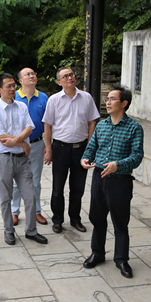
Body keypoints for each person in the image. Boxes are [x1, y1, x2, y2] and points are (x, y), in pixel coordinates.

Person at [81, 85, 144, 279]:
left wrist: (118, 165)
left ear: (124, 103)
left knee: (120, 222)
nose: (107, 102)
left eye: (112, 99)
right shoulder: (101, 125)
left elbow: (137, 156)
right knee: (97, 218)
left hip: (120, 181)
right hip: (99, 177)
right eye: (107, 99)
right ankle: (97, 253)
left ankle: (121, 259)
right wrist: (85, 158)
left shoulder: (134, 128)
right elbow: (92, 147)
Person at [0, 73, 48, 246]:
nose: (13, 89)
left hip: (23, 161)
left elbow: (29, 128)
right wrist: (22, 144)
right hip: (5, 160)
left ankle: (31, 231)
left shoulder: (21, 107)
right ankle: (9, 231)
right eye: (9, 86)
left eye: (14, 85)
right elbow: (1, 137)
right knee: (5, 198)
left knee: (30, 196)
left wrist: (16, 142)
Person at [43, 67, 100, 234]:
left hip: (81, 149)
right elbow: (47, 125)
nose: (70, 78)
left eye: (71, 74)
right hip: (60, 148)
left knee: (78, 187)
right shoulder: (54, 100)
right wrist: (48, 149)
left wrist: (90, 147)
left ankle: (75, 219)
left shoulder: (86, 97)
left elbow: (91, 122)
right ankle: (57, 220)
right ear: (59, 82)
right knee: (58, 188)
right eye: (65, 76)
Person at [11, 68, 49, 226]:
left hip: (37, 144)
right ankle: (14, 211)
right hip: (18, 145)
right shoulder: (13, 97)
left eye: (33, 73)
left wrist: (48, 145)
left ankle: (36, 211)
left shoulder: (43, 97)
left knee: (35, 181)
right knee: (16, 182)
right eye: (27, 74)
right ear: (20, 81)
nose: (32, 76)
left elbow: (48, 124)